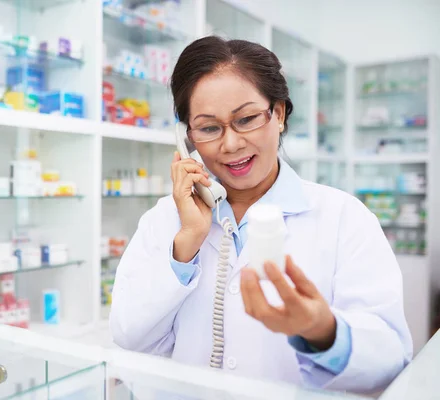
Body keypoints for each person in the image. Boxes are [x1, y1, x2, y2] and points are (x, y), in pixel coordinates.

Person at [109, 37, 412, 394]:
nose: (231, 144)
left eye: (247, 119)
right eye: (208, 128)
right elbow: (129, 337)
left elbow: (390, 357)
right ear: (185, 137)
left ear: (279, 114)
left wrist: (323, 331)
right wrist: (186, 245)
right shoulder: (166, 221)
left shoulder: (344, 218)